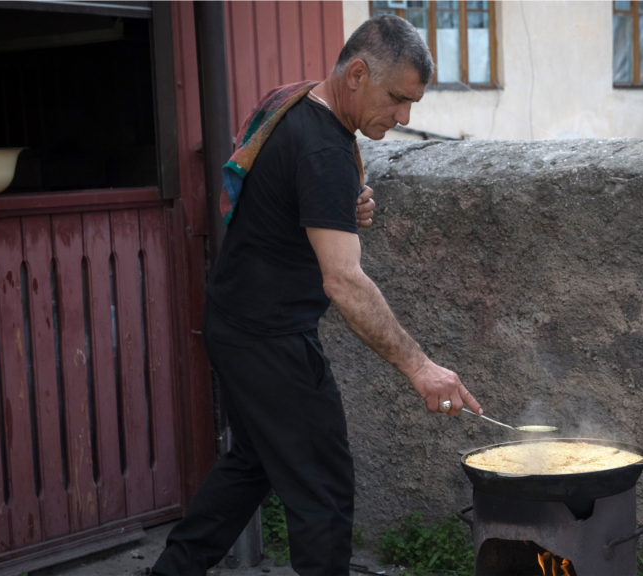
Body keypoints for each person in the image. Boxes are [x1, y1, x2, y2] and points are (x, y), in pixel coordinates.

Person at [150, 15, 480, 576]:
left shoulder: (295, 102)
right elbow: (345, 282)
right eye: (398, 100)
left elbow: (280, 189)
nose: (403, 119)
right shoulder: (323, 151)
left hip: (233, 320)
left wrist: (335, 202)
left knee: (252, 464)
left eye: (413, 107)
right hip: (270, 338)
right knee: (324, 493)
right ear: (357, 74)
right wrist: (421, 367)